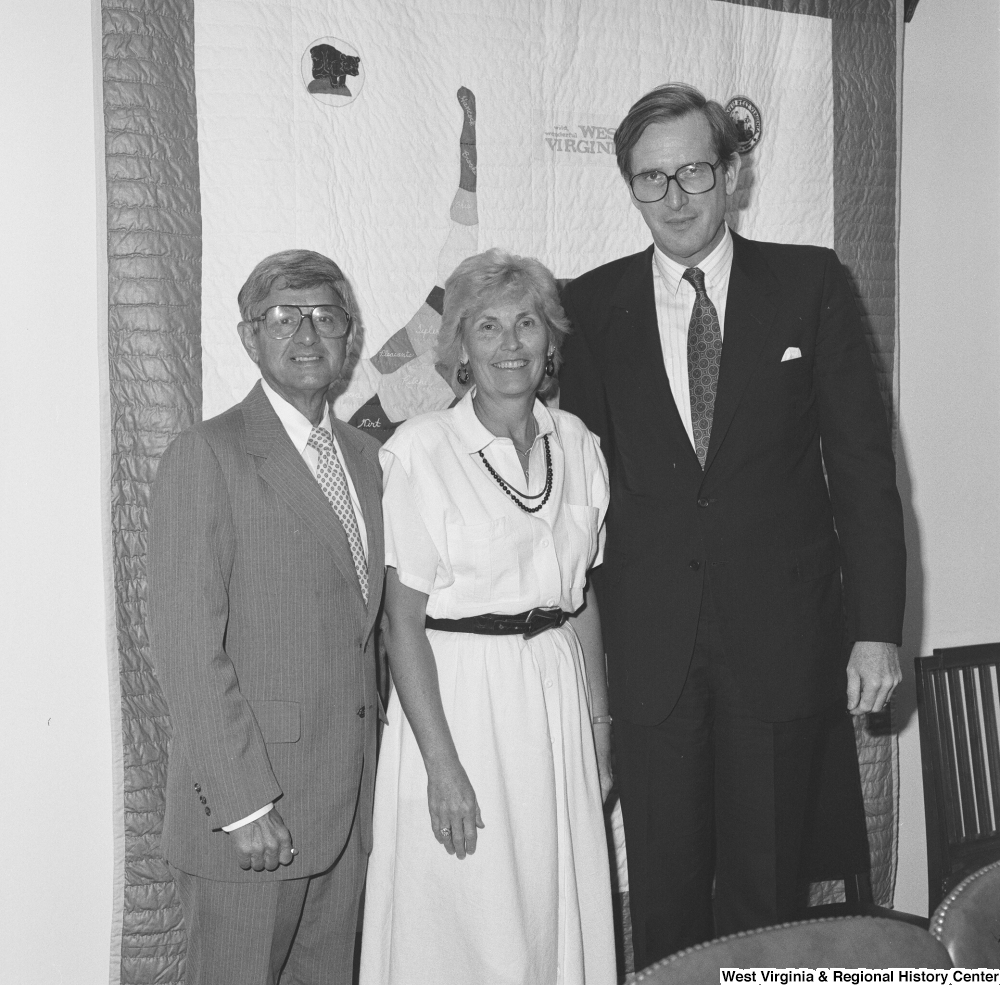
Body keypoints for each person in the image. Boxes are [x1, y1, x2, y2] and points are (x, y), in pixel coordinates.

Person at [558, 83, 906, 967]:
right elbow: (579, 492)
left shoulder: (810, 282)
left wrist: (876, 633)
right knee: (667, 895)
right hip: (653, 655)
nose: (674, 199)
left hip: (781, 643)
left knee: (767, 896)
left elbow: (864, 472)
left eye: (694, 172)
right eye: (651, 180)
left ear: (734, 173)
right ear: (628, 187)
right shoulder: (589, 308)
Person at [359, 249, 617, 985]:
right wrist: (442, 766)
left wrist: (601, 730)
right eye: (488, 326)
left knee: (549, 900)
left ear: (550, 338)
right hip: (460, 700)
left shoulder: (579, 444)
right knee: (466, 907)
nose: (510, 344)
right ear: (461, 348)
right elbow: (399, 623)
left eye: (526, 323)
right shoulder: (420, 451)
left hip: (555, 695)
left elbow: (583, 596)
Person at [147, 249, 385, 985]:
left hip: (347, 811)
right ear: (249, 337)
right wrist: (244, 802)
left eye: (325, 316)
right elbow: (186, 647)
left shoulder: (371, 458)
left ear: (350, 337)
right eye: (283, 317)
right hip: (253, 815)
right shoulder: (207, 454)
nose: (307, 333)